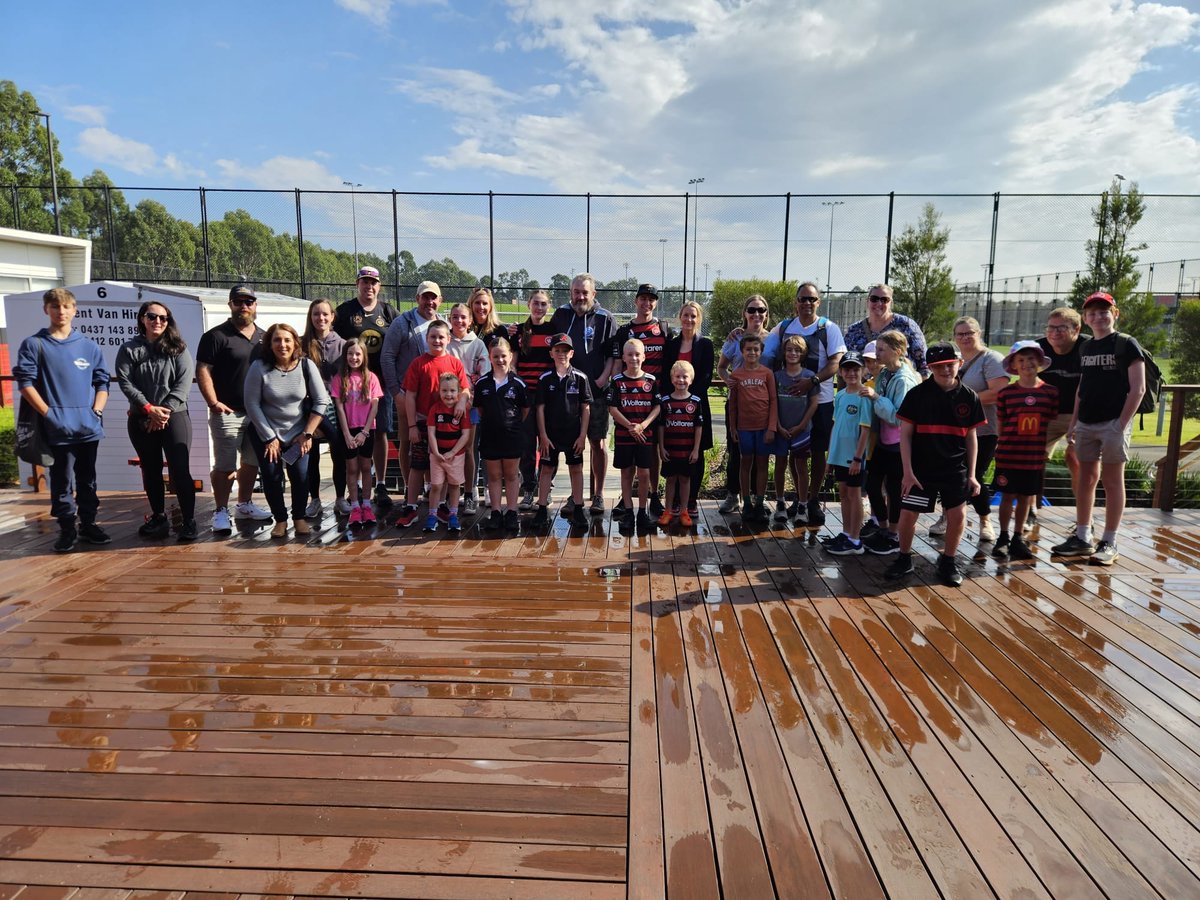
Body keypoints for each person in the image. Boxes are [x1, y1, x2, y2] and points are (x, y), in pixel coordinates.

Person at [1052, 292, 1146, 566]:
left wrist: (1121, 424)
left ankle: (1109, 540)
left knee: (1113, 480)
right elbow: (1083, 387)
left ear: (1115, 313)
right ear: (1085, 318)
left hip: (1113, 424)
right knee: (1086, 478)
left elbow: (1138, 388)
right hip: (1086, 423)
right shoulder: (1086, 347)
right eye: (1092, 312)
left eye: (1104, 311)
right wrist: (1074, 422)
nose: (1098, 316)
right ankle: (1082, 536)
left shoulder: (1127, 344)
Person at [14, 288, 110, 553]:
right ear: (46, 309)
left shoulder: (88, 346)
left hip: (88, 428)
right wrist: (50, 414)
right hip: (56, 429)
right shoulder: (35, 344)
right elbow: (25, 383)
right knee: (61, 481)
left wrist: (96, 412)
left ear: (75, 309)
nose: (61, 311)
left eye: (66, 306)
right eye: (55, 306)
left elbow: (102, 382)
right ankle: (67, 530)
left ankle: (89, 525)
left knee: (88, 480)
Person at [885, 342, 984, 587]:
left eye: (950, 365)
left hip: (954, 469)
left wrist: (972, 475)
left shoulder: (969, 397)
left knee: (958, 514)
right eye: (939, 366)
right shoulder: (917, 395)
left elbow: (971, 437)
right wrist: (907, 472)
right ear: (930, 368)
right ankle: (904, 556)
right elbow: (905, 436)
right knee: (908, 514)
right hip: (921, 469)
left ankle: (948, 560)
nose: (946, 370)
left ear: (959, 364)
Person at [115, 300, 197, 542]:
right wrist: (149, 409)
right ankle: (159, 517)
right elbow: (126, 382)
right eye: (152, 316)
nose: (158, 321)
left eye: (163, 318)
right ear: (142, 319)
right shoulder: (129, 349)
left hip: (175, 417)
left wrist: (163, 412)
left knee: (179, 470)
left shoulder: (178, 348)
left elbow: (183, 383)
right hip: (142, 418)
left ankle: (189, 521)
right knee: (150, 469)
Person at [766, 282, 847, 525]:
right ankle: (797, 500)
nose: (807, 303)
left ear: (818, 302)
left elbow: (836, 362)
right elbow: (766, 354)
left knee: (818, 451)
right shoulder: (783, 328)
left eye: (812, 299)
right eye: (803, 299)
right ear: (796, 302)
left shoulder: (828, 328)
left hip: (820, 400)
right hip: (789, 401)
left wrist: (811, 381)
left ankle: (812, 500)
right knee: (794, 453)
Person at [195, 284, 273, 535]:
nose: (244, 307)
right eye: (239, 302)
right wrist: (213, 402)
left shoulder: (264, 337)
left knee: (251, 463)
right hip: (227, 412)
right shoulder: (216, 336)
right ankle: (220, 510)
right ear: (230, 305)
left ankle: (244, 504)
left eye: (249, 302)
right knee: (225, 466)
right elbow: (203, 370)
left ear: (255, 305)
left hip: (258, 413)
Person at [243, 323, 330, 539]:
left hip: (298, 434)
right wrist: (269, 437)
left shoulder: (306, 366)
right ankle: (280, 520)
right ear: (269, 344)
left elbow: (321, 401)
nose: (282, 344)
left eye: (287, 340)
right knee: (272, 477)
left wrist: (308, 433)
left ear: (295, 343)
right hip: (267, 433)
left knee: (300, 476)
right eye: (277, 340)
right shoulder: (259, 367)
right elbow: (252, 404)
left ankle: (299, 517)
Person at [548, 274, 618, 514]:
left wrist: (601, 380)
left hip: (596, 392)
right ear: (570, 292)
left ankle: (598, 495)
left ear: (593, 294)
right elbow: (547, 343)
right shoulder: (561, 315)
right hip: (567, 394)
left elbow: (613, 355)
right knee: (571, 445)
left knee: (597, 443)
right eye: (576, 291)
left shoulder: (605, 318)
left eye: (584, 292)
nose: (580, 297)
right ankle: (575, 496)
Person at [938, 316, 1008, 542]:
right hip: (954, 431)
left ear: (979, 333)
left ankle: (985, 520)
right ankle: (947, 517)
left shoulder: (991, 359)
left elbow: (999, 391)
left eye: (970, 333)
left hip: (984, 431)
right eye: (960, 334)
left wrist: (963, 401)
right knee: (950, 475)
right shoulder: (955, 361)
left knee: (973, 475)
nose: (965, 337)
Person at [333, 266, 398, 508]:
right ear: (357, 284)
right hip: (350, 386)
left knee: (379, 431)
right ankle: (357, 485)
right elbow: (329, 339)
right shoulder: (346, 312)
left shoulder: (388, 311)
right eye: (364, 282)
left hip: (378, 384)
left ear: (379, 286)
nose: (369, 287)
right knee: (351, 431)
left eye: (373, 283)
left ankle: (379, 483)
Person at [396, 319, 470, 528]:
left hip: (448, 425)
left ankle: (442, 507)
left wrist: (462, 401)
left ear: (448, 339)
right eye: (433, 337)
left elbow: (464, 389)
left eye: (441, 337)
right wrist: (412, 426)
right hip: (422, 422)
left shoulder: (455, 363)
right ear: (426, 339)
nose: (437, 340)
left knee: (444, 466)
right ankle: (411, 506)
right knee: (418, 465)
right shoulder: (418, 363)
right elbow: (410, 396)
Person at [609, 283, 674, 517]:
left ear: (655, 303)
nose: (647, 303)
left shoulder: (664, 329)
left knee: (651, 451)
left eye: (651, 299)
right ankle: (627, 502)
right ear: (636, 301)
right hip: (628, 399)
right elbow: (617, 363)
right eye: (643, 299)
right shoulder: (624, 331)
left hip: (654, 399)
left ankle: (653, 496)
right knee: (628, 456)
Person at [382, 280, 446, 516]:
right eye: (425, 297)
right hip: (407, 397)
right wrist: (396, 392)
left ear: (440, 300)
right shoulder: (402, 323)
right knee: (408, 442)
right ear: (417, 298)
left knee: (433, 444)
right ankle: (411, 488)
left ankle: (431, 489)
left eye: (434, 297)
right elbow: (387, 357)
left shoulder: (442, 324)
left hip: (436, 402)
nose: (429, 302)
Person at [992, 341, 1058, 561]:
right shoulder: (1006, 393)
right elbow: (1001, 424)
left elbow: (1051, 423)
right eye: (1021, 360)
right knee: (1007, 496)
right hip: (1009, 454)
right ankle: (1002, 536)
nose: (1027, 364)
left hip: (1033, 456)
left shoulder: (1050, 392)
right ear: (1014, 365)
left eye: (1031, 359)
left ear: (1039, 362)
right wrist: (999, 447)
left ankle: (1017, 537)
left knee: (1025, 497)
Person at [860, 330, 922, 555]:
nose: (876, 354)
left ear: (897, 351)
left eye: (880, 350)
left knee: (894, 490)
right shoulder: (887, 374)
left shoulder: (904, 379)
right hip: (885, 442)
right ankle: (884, 527)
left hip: (898, 444)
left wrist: (876, 397)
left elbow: (899, 417)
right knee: (873, 485)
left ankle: (893, 534)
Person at [717, 294, 775, 514]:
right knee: (737, 452)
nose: (756, 314)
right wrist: (729, 382)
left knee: (760, 455)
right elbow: (722, 366)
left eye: (761, 310)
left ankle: (756, 498)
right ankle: (734, 495)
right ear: (745, 313)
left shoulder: (773, 339)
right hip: (738, 406)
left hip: (762, 407)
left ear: (766, 314)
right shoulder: (735, 338)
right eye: (752, 310)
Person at [532, 333, 592, 530]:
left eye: (565, 351)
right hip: (550, 434)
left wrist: (582, 436)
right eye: (557, 350)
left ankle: (579, 508)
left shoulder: (581, 378)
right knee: (547, 469)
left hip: (573, 434)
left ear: (572, 353)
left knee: (576, 469)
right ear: (551, 353)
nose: (561, 354)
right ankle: (542, 508)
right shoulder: (544, 379)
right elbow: (539, 408)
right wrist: (542, 435)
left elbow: (585, 408)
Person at [1036, 306, 1089, 528]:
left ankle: (1083, 518)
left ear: (1076, 329)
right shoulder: (1039, 348)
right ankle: (1030, 509)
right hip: (1046, 414)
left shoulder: (1088, 348)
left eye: (1061, 328)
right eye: (1051, 327)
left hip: (1081, 414)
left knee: (1076, 459)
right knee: (1032, 459)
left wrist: (1077, 423)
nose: (1055, 332)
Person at [662, 301, 715, 518]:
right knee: (674, 452)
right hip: (673, 407)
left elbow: (705, 378)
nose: (689, 320)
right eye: (685, 315)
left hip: (697, 405)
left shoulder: (706, 345)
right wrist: (675, 398)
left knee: (696, 453)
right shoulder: (672, 345)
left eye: (693, 316)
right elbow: (667, 374)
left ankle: (691, 500)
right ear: (679, 317)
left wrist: (689, 398)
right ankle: (673, 502)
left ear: (698, 319)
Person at [474, 337, 531, 531]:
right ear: (490, 357)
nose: (500, 360)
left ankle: (512, 512)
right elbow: (480, 409)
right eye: (495, 356)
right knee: (494, 475)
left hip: (512, 437)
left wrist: (510, 425)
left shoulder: (518, 384)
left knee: (511, 475)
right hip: (490, 436)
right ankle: (496, 512)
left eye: (503, 356)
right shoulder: (482, 384)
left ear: (511, 356)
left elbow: (524, 411)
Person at [823, 352, 874, 555]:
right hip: (839, 455)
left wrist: (857, 458)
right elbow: (835, 427)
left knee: (854, 495)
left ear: (862, 371)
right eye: (847, 369)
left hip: (854, 457)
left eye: (856, 369)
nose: (851, 373)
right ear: (841, 372)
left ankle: (855, 539)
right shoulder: (841, 395)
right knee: (843, 494)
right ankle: (846, 533)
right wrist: (830, 456)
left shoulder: (864, 396)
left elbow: (865, 430)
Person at [608, 338, 661, 533]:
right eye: (630, 354)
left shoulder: (651, 381)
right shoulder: (617, 381)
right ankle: (628, 511)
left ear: (644, 357)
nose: (634, 358)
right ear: (623, 357)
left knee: (644, 472)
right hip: (624, 435)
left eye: (637, 354)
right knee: (626, 472)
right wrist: (630, 426)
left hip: (644, 435)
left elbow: (657, 407)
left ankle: (642, 511)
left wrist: (643, 425)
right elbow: (612, 408)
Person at [300, 298, 347, 517]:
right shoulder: (301, 344)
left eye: (325, 314)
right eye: (316, 314)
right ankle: (315, 500)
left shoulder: (343, 345)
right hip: (309, 405)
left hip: (335, 406)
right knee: (312, 455)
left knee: (338, 452)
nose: (321, 318)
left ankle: (340, 498)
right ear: (311, 317)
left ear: (332, 317)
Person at [726, 332, 779, 524]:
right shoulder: (736, 374)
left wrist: (772, 427)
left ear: (761, 351)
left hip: (763, 427)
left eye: (756, 349)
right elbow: (733, 404)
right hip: (744, 428)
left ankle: (759, 502)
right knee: (745, 463)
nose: (752, 352)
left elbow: (773, 400)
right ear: (742, 351)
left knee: (762, 464)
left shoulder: (767, 373)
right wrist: (733, 427)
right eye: (748, 349)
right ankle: (746, 502)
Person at [332, 339, 383, 528]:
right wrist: (347, 434)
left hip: (366, 429)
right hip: (348, 429)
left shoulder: (371, 378)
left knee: (365, 467)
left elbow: (375, 406)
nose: (354, 357)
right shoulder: (340, 379)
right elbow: (339, 408)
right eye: (350, 354)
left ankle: (367, 505)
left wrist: (365, 432)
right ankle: (354, 506)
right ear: (345, 356)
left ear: (364, 356)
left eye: (358, 354)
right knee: (351, 468)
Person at [515, 290, 558, 512]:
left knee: (548, 441)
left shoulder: (553, 331)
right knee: (526, 444)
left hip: (548, 395)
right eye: (535, 304)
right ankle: (529, 487)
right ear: (528, 305)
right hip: (526, 396)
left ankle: (546, 487)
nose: (539, 308)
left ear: (548, 307)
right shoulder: (519, 331)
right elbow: (514, 364)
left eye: (543, 304)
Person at [446, 301, 490, 515]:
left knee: (469, 449)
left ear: (470, 320)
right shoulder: (444, 343)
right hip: (446, 407)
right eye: (455, 317)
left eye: (463, 317)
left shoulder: (478, 345)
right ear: (449, 319)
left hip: (471, 406)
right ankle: (449, 495)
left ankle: (470, 493)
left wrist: (469, 399)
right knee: (447, 449)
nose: (459, 321)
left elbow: (484, 377)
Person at [773, 335, 820, 522]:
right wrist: (777, 425)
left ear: (803, 354)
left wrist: (801, 426)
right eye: (789, 350)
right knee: (780, 464)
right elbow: (772, 402)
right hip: (781, 428)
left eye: (797, 350)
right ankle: (780, 502)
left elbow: (814, 403)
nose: (793, 353)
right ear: (784, 352)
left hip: (802, 430)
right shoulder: (777, 376)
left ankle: (802, 506)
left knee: (801, 466)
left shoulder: (809, 376)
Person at [657, 361, 704, 528]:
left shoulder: (696, 401)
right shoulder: (665, 401)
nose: (681, 380)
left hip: (687, 451)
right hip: (670, 450)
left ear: (691, 379)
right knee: (670, 480)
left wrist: (696, 449)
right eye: (677, 376)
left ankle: (684, 511)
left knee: (685, 480)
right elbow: (661, 426)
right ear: (672, 379)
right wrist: (661, 447)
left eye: (685, 377)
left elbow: (698, 427)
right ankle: (668, 511)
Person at [425, 372, 472, 534]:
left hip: (456, 456)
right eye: (444, 391)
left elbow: (465, 435)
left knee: (454, 485)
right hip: (437, 455)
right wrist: (436, 452)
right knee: (436, 485)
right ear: (439, 391)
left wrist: (453, 451)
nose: (448, 394)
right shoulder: (435, 409)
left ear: (458, 392)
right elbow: (431, 432)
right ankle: (432, 514)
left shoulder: (462, 411)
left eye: (452, 391)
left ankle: (453, 514)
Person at [843, 283, 928, 374]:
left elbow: (924, 364)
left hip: (901, 385)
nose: (879, 303)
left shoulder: (906, 325)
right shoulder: (853, 331)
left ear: (890, 303)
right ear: (867, 301)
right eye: (874, 299)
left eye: (884, 300)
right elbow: (845, 365)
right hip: (863, 387)